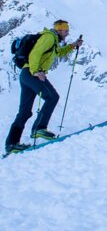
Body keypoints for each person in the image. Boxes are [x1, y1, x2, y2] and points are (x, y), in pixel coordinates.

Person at [5, 20, 83, 154]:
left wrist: (74, 45)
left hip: (26, 74)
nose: (67, 32)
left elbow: (59, 53)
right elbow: (35, 53)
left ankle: (12, 144)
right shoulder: (49, 37)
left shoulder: (53, 41)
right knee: (52, 97)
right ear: (59, 29)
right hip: (32, 73)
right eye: (65, 30)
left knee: (24, 111)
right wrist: (36, 71)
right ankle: (39, 128)